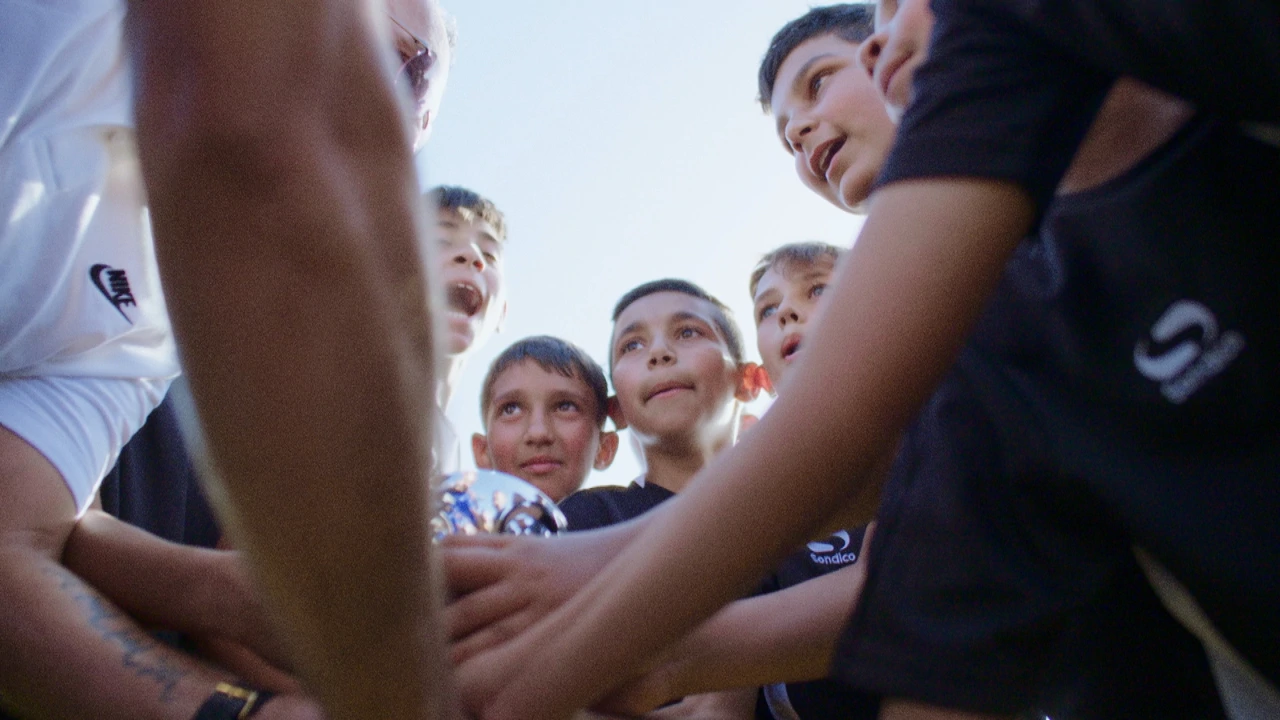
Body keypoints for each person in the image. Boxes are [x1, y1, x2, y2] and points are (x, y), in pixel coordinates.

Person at [440, 1, 1280, 718]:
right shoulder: (996, 354)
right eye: (783, 130)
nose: (804, 127)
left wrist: (600, 596)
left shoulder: (1199, 83)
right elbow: (936, 600)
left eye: (819, 81)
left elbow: (838, 436)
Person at [126, 0, 462, 717]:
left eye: (401, 59)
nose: (343, 62)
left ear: (422, 123)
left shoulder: (384, 398)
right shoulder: (67, 204)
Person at [471, 336, 617, 503]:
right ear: (483, 451)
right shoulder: (454, 527)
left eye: (565, 406)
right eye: (511, 409)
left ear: (604, 448)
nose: (538, 433)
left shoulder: (640, 525)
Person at [429, 185, 509, 474]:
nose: (472, 254)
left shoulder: (448, 453)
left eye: (490, 256)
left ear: (501, 312)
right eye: (440, 241)